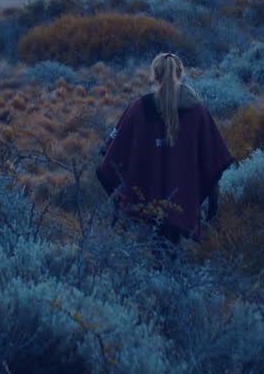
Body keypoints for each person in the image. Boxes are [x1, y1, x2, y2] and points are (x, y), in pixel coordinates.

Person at [97, 53, 234, 243]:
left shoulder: (138, 108)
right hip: (182, 208)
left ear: (155, 75)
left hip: (142, 209)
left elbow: (111, 159)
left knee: (145, 256)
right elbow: (214, 160)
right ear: (180, 73)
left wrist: (122, 197)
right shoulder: (198, 111)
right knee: (175, 257)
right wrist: (210, 202)